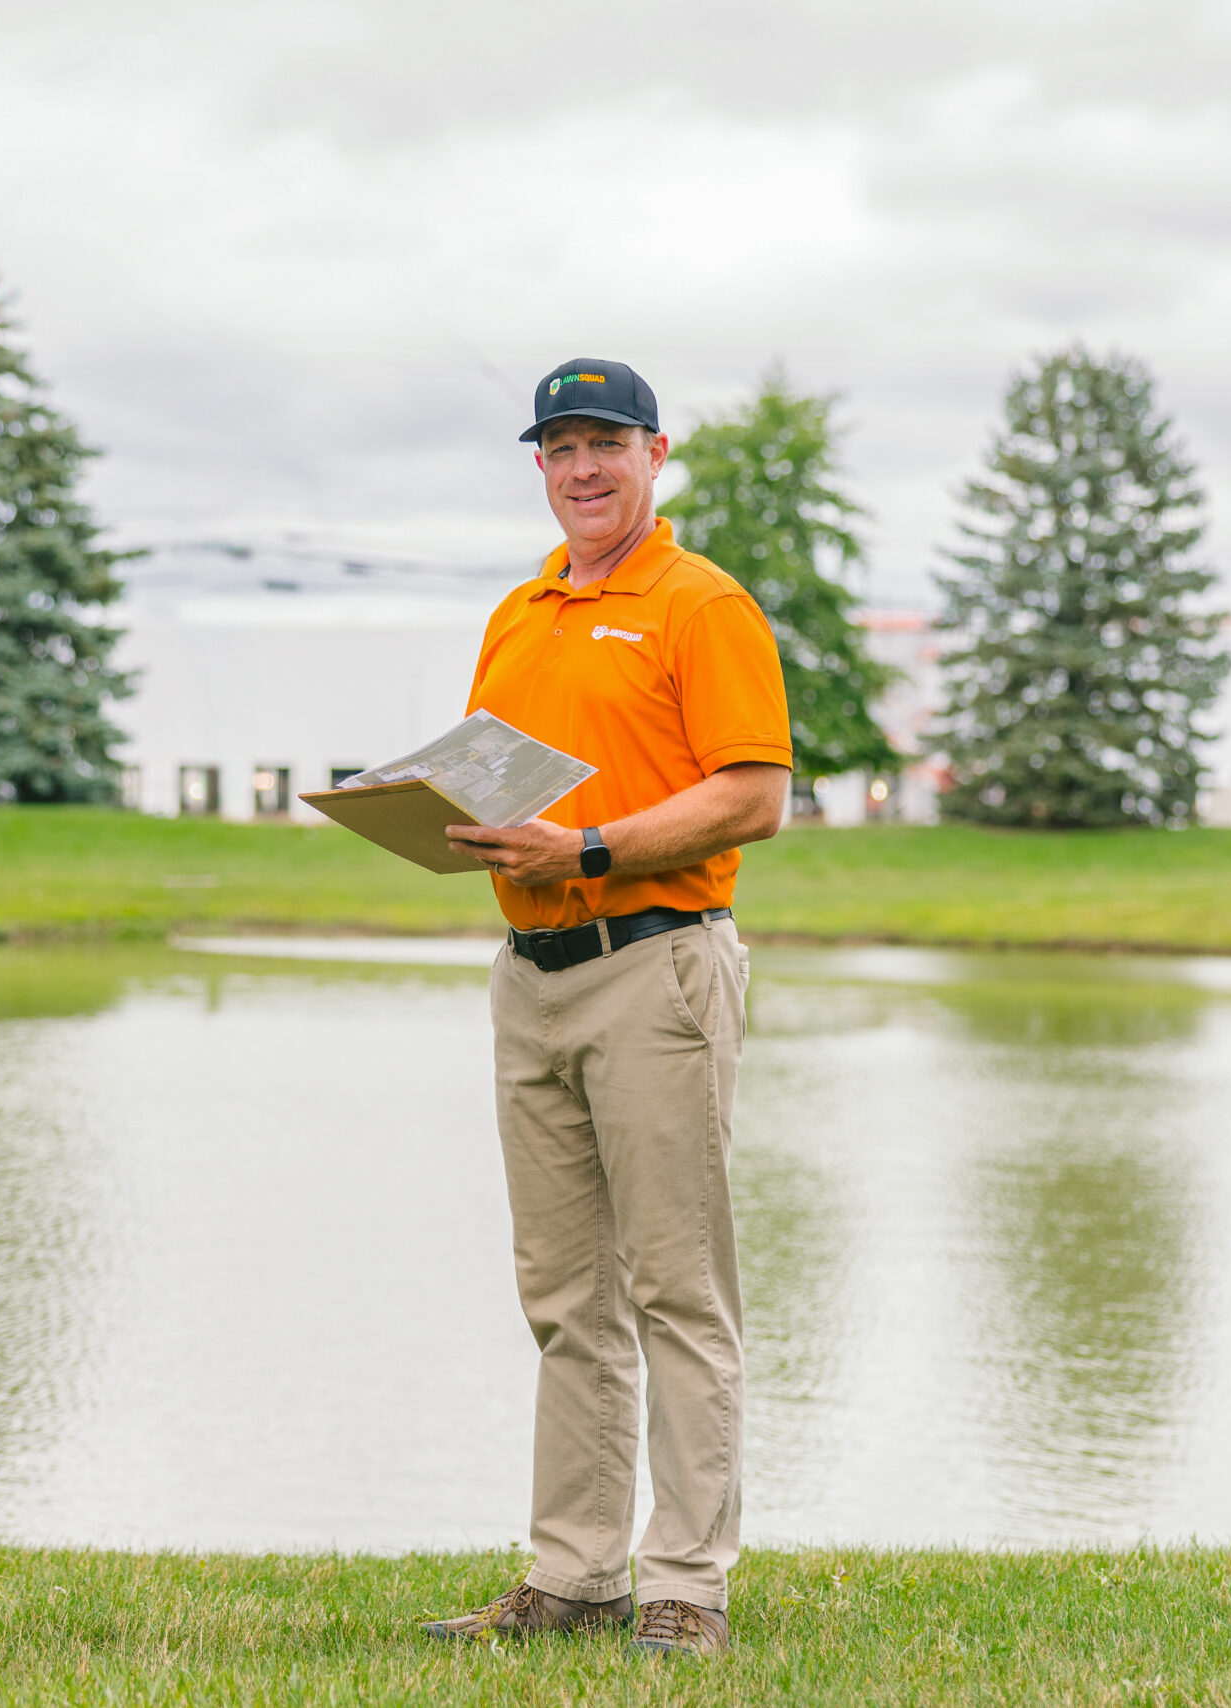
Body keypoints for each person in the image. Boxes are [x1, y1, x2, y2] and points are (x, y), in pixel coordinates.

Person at [421, 358, 792, 1660]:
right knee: (565, 1295)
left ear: (655, 454)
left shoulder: (702, 604)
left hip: (657, 963)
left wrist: (584, 852)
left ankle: (685, 1585)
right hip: (531, 977)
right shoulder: (520, 610)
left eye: (607, 444)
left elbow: (752, 796)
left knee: (677, 1288)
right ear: (539, 465)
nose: (583, 468)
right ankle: (572, 1576)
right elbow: (500, 771)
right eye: (560, 447)